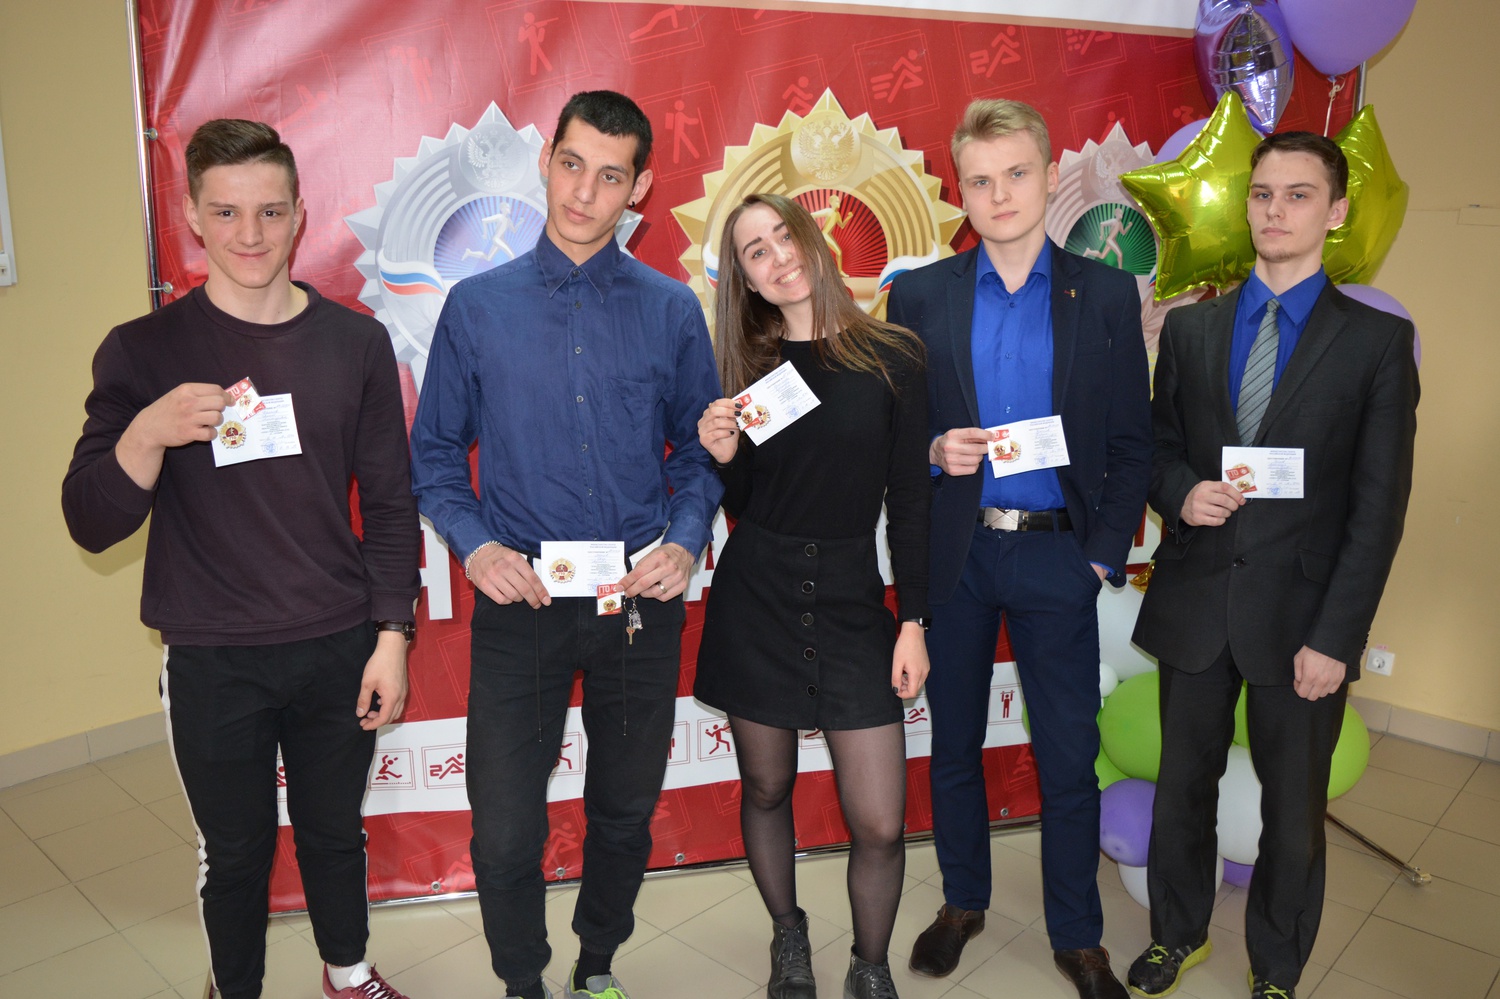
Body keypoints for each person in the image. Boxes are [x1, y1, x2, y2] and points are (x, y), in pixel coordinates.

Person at [61, 119, 421, 999]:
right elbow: (90, 521)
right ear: (191, 214)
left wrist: (392, 636)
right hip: (213, 653)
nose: (250, 234)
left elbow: (388, 502)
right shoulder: (142, 351)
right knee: (235, 851)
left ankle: (348, 972)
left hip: (336, 641)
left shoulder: (355, 344)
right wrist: (147, 433)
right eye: (225, 212)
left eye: (270, 211)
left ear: (300, 213)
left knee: (334, 830)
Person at [407, 90, 723, 999]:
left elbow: (699, 449)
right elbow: (435, 454)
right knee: (505, 824)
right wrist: (476, 548)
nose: (585, 192)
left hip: (636, 602)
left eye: (611, 176)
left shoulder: (671, 310)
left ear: (640, 189)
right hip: (524, 602)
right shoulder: (478, 307)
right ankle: (522, 977)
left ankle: (597, 961)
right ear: (546, 161)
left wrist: (685, 539)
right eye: (573, 165)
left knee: (623, 808)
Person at [1128, 131, 1418, 999]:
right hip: (1197, 600)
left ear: (1335, 212)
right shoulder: (1191, 329)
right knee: (1182, 789)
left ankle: (1277, 966)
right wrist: (1182, 492)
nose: (1275, 210)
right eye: (1262, 194)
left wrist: (1338, 637)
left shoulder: (1375, 343)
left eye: (1298, 195)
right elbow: (1157, 449)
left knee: (1294, 811)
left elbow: (1378, 507)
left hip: (1303, 621)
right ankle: (1176, 934)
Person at [886, 99, 1151, 999]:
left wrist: (1099, 557)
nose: (999, 194)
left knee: (1068, 755)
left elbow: (1131, 442)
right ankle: (963, 901)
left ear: (1048, 174)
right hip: (958, 556)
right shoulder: (921, 296)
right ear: (961, 190)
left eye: (1016, 174)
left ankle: (1078, 935)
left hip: (1057, 556)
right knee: (954, 743)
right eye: (980, 180)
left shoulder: (1104, 294)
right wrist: (932, 448)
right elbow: (896, 435)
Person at [695, 193, 932, 999]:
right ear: (746, 279)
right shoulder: (753, 373)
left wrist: (913, 621)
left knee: (881, 821)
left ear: (811, 237)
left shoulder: (895, 356)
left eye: (781, 236)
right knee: (766, 787)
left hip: (852, 600)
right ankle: (788, 932)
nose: (776, 257)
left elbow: (911, 501)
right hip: (756, 595)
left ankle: (870, 963)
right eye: (754, 251)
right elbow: (749, 501)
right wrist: (727, 455)